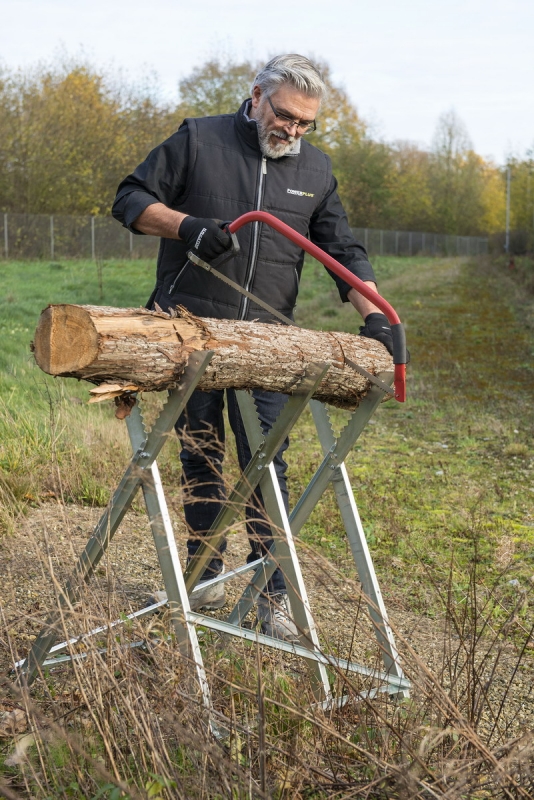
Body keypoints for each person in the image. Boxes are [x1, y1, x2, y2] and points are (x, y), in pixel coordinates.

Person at [112, 54, 393, 641]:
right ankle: (205, 578)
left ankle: (273, 593)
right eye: (285, 115)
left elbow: (342, 250)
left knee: (266, 462)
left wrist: (377, 314)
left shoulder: (316, 169)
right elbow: (130, 200)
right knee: (201, 455)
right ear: (257, 95)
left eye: (306, 123)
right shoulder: (199, 139)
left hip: (269, 343)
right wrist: (187, 226)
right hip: (190, 331)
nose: (292, 130)